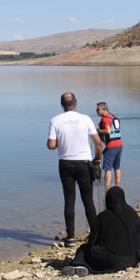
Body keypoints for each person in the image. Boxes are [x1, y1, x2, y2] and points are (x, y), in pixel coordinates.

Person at [62, 186, 140, 276]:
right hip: (131, 259)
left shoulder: (103, 217)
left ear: (108, 199)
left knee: (83, 250)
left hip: (110, 260)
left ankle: (80, 264)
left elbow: (93, 240)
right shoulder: (132, 214)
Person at [47, 92, 103, 245]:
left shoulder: (55, 120)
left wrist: (62, 142)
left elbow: (51, 145)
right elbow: (98, 143)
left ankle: (70, 236)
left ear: (62, 105)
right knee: (88, 200)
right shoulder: (85, 119)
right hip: (84, 163)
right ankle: (95, 234)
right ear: (76, 103)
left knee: (69, 200)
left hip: (65, 164)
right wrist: (98, 158)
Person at [95, 102, 123, 190]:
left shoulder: (105, 119)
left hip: (111, 146)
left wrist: (98, 131)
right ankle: (118, 186)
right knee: (117, 167)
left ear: (104, 109)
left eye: (98, 109)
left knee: (107, 169)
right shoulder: (113, 116)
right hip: (119, 144)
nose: (97, 111)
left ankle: (107, 189)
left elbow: (108, 131)